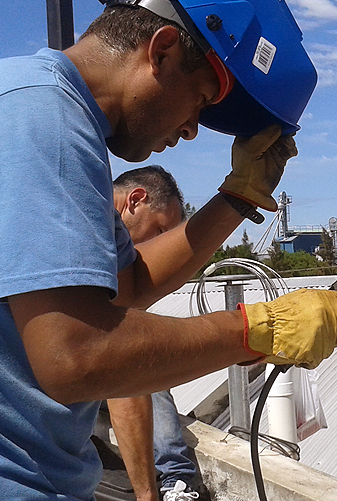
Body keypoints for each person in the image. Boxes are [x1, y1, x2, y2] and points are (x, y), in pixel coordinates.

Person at [0, 0, 337, 499]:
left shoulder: (43, 110)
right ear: (161, 52)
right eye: (200, 102)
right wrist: (258, 330)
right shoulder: (37, 116)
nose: (191, 130)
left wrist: (236, 198)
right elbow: (77, 355)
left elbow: (128, 285)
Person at [107, 166, 202, 501]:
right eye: (159, 229)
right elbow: (123, 362)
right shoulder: (95, 227)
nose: (160, 244)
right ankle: (176, 480)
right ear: (135, 200)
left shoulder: (115, 244)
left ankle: (175, 478)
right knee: (143, 362)